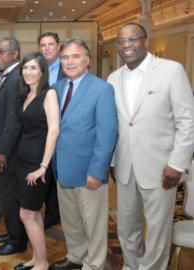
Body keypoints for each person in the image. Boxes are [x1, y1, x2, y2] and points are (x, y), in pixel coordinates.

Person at [108, 23, 194, 270]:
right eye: (121, 42)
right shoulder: (113, 78)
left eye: (133, 39)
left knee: (157, 229)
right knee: (126, 225)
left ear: (145, 40)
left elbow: (187, 122)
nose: (126, 46)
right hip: (124, 167)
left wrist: (176, 164)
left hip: (161, 168)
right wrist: (113, 161)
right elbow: (113, 124)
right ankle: (132, 265)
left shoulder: (171, 71)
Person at [49, 38, 117, 270]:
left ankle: (94, 264)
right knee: (71, 221)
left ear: (87, 60)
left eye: (76, 56)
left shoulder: (102, 89)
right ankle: (76, 255)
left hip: (89, 171)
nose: (70, 62)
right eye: (65, 57)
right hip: (62, 169)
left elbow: (107, 134)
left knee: (94, 224)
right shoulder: (56, 89)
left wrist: (97, 171)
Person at [13, 52, 59, 270]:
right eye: (25, 68)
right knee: (34, 214)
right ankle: (38, 258)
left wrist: (43, 166)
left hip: (37, 163)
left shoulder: (49, 93)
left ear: (42, 71)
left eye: (33, 68)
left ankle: (42, 264)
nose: (28, 72)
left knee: (27, 214)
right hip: (22, 161)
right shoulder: (25, 94)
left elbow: (54, 130)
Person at [0, 37, 27, 256]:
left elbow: (13, 120)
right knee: (8, 197)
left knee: (11, 198)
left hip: (8, 153)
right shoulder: (8, 75)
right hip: (2, 149)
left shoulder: (16, 78)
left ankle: (17, 241)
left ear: (14, 54)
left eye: (1, 52)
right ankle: (14, 232)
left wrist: (2, 151)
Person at [37, 31, 66, 229]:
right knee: (45, 169)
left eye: (50, 44)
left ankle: (63, 212)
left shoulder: (68, 69)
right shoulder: (37, 70)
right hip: (41, 130)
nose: (46, 48)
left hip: (63, 129)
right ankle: (51, 212)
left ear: (58, 46)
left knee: (60, 172)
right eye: (43, 45)